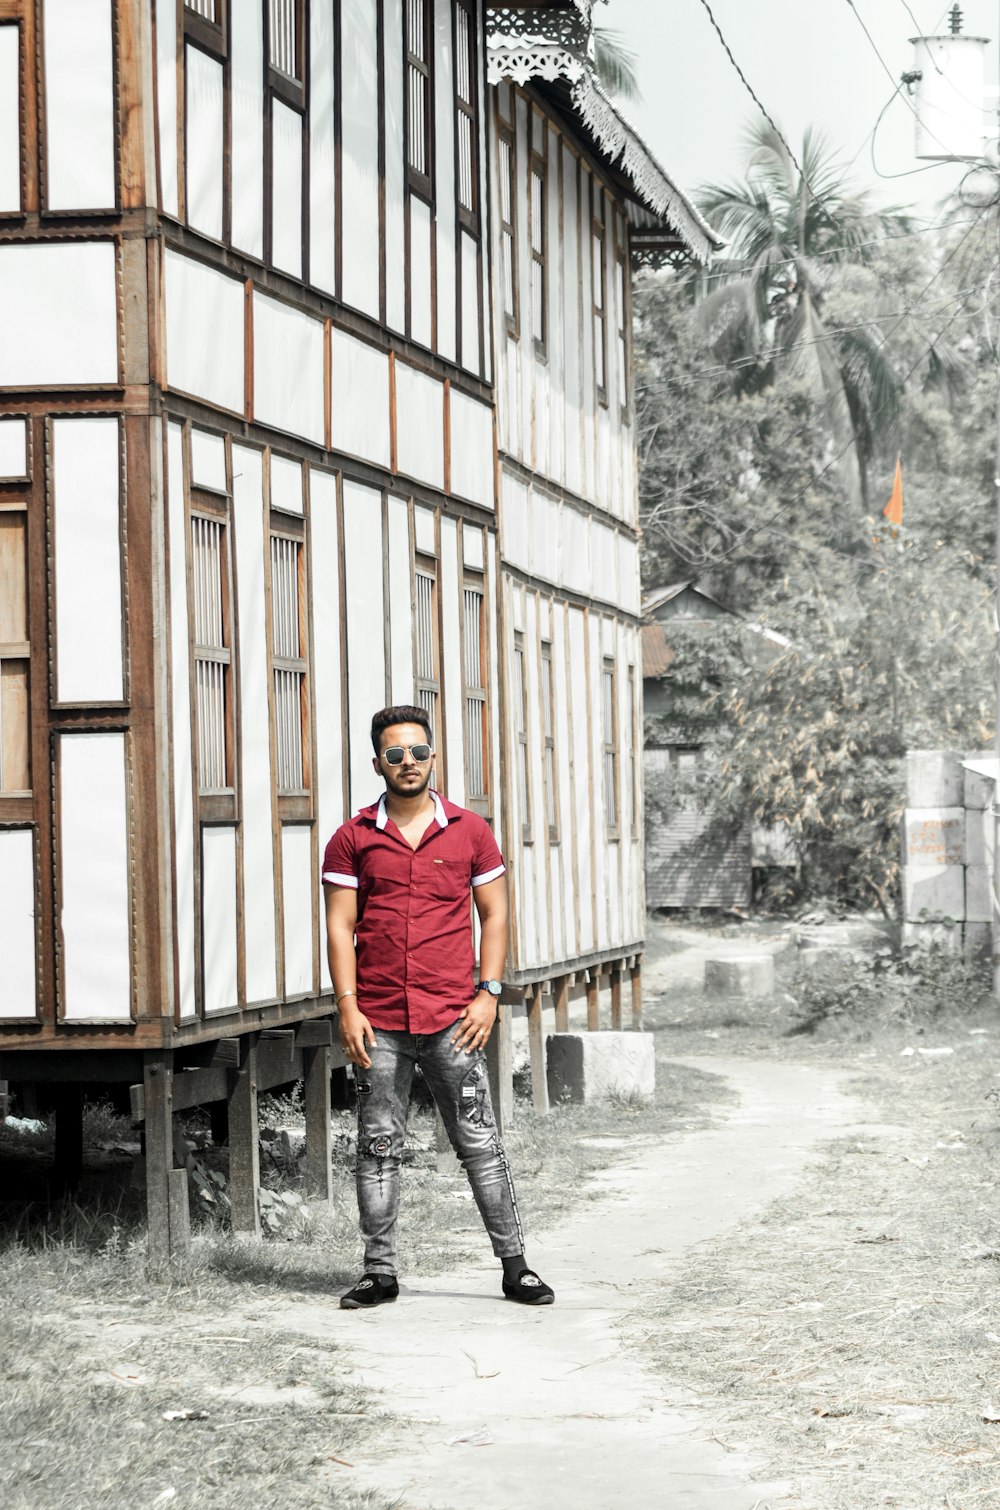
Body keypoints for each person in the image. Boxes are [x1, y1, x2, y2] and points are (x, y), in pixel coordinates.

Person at [323, 704, 554, 1310]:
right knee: (377, 1145)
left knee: (479, 1142)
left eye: (417, 752)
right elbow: (339, 925)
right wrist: (347, 1007)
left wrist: (489, 992)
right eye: (394, 754)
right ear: (377, 762)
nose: (407, 763)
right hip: (378, 1023)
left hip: (456, 1019)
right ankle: (379, 1273)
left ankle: (516, 1267)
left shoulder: (470, 832)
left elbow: (496, 914)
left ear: (434, 757)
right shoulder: (352, 839)